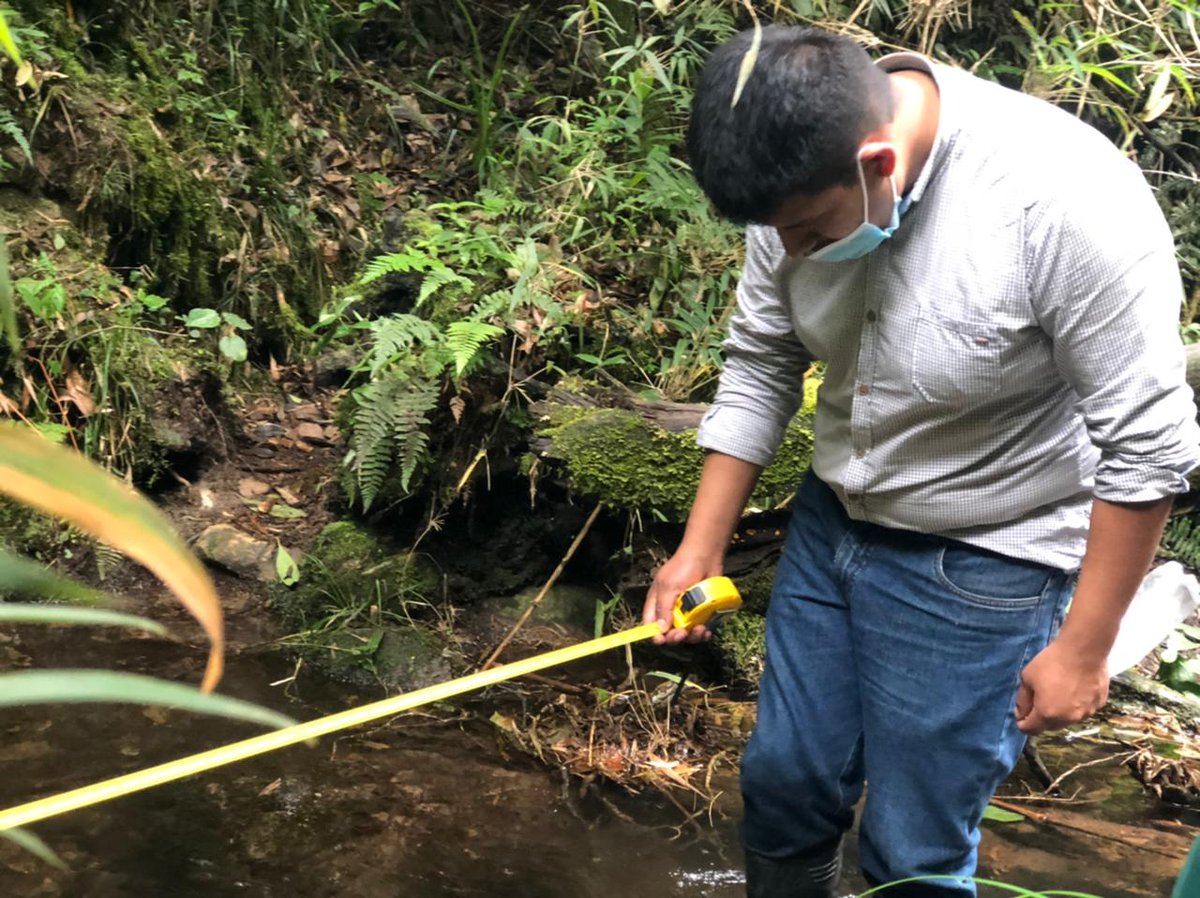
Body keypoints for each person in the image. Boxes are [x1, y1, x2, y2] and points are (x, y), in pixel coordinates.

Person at [641, 25, 1200, 898]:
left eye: (807, 231)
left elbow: (1150, 447)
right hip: (834, 527)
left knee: (914, 847)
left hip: (989, 561)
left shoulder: (1062, 204)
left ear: (875, 159)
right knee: (784, 786)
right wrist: (699, 549)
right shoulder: (791, 178)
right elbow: (761, 360)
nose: (791, 252)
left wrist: (1084, 651)